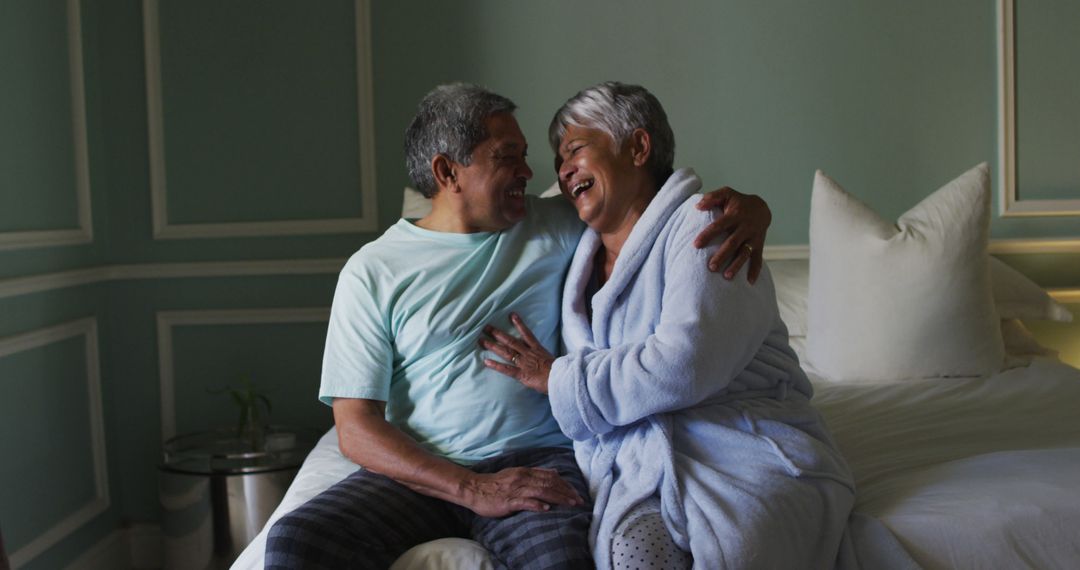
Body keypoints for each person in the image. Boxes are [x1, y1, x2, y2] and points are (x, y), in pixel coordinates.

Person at [264, 83, 773, 569]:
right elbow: (355, 430)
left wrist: (752, 210)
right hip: (422, 471)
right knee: (296, 541)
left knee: (560, 562)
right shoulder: (371, 271)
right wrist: (471, 487)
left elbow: (648, 209)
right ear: (447, 172)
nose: (530, 172)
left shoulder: (560, 223)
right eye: (507, 156)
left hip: (539, 459)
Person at [482, 82, 855, 569]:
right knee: (626, 551)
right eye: (558, 161)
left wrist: (556, 377)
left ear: (638, 147)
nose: (562, 170)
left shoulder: (709, 228)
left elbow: (685, 361)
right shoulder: (573, 244)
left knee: (740, 550)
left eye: (575, 150)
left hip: (737, 446)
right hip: (636, 462)